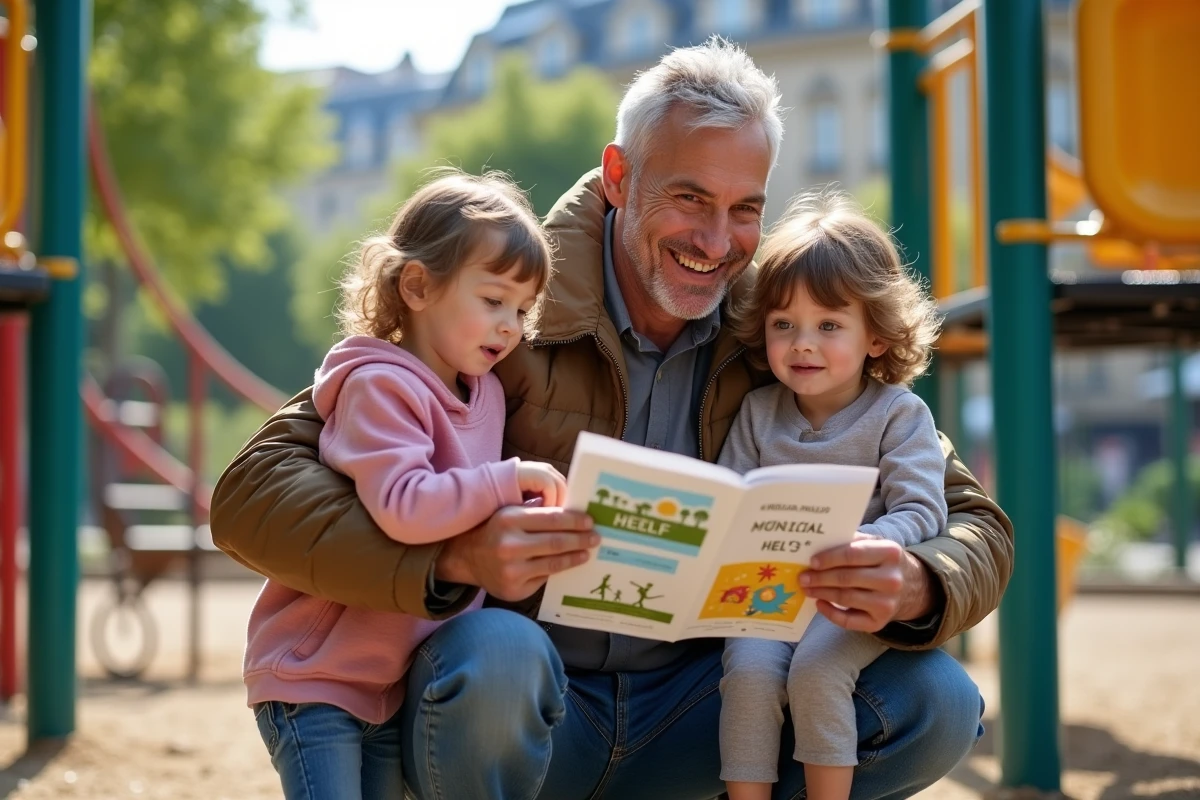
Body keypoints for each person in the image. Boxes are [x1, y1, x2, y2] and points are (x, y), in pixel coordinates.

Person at [212, 38, 1013, 800]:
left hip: (705, 702)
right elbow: (254, 495)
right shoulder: (502, 300)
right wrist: (454, 557)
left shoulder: (782, 323)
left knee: (934, 701)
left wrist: (919, 583)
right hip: (531, 705)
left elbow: (976, 522)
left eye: (744, 209)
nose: (716, 239)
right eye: (690, 198)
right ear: (620, 176)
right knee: (497, 654)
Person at [241, 171, 566, 799]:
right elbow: (403, 506)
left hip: (388, 680)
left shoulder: (486, 393)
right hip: (316, 676)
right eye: (493, 300)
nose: (509, 327)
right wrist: (506, 480)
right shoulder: (381, 386)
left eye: (521, 311)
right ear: (417, 286)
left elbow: (461, 502)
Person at [717, 193, 947, 800]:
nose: (802, 344)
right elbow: (730, 500)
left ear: (875, 336)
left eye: (829, 325)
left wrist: (874, 542)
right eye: (783, 325)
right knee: (746, 671)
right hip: (770, 587)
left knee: (818, 669)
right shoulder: (759, 413)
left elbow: (924, 509)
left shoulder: (899, 414)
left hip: (855, 592)